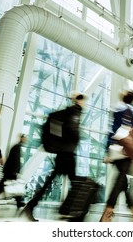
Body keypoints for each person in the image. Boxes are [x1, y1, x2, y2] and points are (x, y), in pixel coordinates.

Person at [22, 92, 86, 221]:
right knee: (74, 182)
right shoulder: (74, 112)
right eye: (83, 100)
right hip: (67, 153)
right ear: (79, 101)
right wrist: (70, 142)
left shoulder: (72, 112)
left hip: (65, 152)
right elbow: (71, 130)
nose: (85, 103)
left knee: (53, 180)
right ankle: (71, 212)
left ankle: (33, 205)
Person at [100, 90, 133, 222]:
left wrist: (108, 150)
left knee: (121, 180)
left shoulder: (119, 108)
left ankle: (109, 213)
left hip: (117, 148)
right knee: (121, 181)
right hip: (128, 151)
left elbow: (112, 129)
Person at [0, 134, 27, 209]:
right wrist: (15, 171)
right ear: (21, 138)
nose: (26, 140)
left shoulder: (17, 147)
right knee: (9, 187)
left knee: (10, 187)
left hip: (10, 170)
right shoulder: (17, 147)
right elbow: (14, 160)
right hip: (11, 171)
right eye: (24, 138)